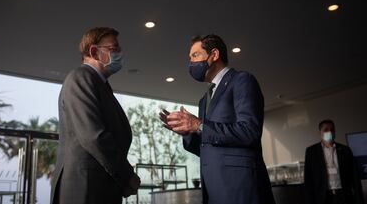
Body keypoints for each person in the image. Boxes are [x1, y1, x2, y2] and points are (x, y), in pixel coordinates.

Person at [160, 34, 275, 204]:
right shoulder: (204, 99)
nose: (191, 63)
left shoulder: (242, 81)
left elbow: (250, 131)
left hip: (241, 188)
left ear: (214, 54)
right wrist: (187, 131)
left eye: (195, 55)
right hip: (214, 191)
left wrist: (199, 125)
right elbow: (209, 148)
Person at [50, 27, 140, 204]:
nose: (120, 53)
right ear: (94, 51)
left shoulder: (101, 84)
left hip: (100, 187)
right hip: (84, 188)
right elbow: (93, 136)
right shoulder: (80, 77)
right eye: (114, 49)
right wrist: (126, 175)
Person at [304, 119, 364, 204]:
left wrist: (359, 200)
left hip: (344, 195)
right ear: (320, 133)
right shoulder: (311, 152)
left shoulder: (346, 150)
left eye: (332, 130)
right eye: (326, 130)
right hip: (322, 197)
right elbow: (308, 180)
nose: (329, 132)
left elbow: (355, 178)